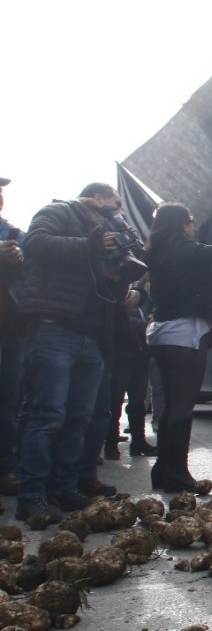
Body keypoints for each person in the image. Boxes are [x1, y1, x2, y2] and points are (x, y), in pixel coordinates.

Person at [15, 184, 129, 522]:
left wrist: (119, 275)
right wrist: (91, 245)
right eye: (114, 204)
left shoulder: (106, 235)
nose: (117, 212)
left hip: (89, 334)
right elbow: (36, 243)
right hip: (53, 328)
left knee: (79, 417)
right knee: (47, 415)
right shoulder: (59, 212)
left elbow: (103, 285)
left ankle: (65, 487)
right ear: (96, 198)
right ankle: (32, 495)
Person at [147, 203, 212, 493]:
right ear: (181, 223)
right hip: (185, 334)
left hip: (162, 333)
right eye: (189, 220)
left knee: (170, 405)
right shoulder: (186, 250)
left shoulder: (156, 251)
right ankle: (178, 472)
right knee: (182, 405)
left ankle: (163, 469)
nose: (192, 225)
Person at [107, 277, 158, 458]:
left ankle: (138, 442)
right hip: (122, 352)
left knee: (137, 401)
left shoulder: (142, 295)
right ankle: (111, 443)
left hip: (140, 352)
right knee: (115, 400)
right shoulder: (116, 289)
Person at [0, 176, 24, 496]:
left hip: (11, 329)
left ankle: (5, 467)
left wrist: (20, 261)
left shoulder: (12, 232)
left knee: (8, 402)